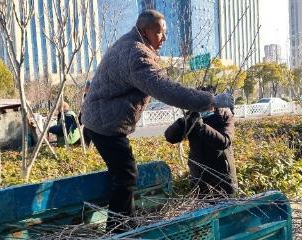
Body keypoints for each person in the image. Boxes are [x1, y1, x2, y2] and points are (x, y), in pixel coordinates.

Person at [81, 10, 234, 233]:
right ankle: (119, 230)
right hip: (105, 124)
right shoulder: (137, 55)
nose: (164, 38)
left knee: (125, 172)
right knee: (126, 174)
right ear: (145, 31)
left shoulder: (129, 44)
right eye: (160, 33)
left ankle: (125, 225)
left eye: (166, 33)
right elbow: (166, 90)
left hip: (101, 120)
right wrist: (211, 100)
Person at [164, 96, 238, 197]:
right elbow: (170, 137)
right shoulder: (192, 117)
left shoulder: (224, 115)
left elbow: (224, 142)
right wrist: (184, 121)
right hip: (199, 177)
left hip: (222, 176)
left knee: (226, 209)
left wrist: (202, 127)